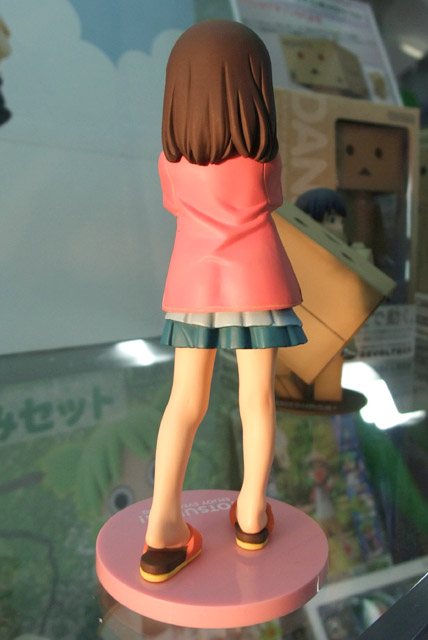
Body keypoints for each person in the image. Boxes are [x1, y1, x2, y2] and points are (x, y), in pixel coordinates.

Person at [140, 20, 306, 583]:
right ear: (254, 88)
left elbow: (175, 207)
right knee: (256, 399)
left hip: (195, 287)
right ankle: (252, 515)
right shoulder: (265, 160)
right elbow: (272, 200)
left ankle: (163, 529)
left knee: (184, 403)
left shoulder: (171, 163)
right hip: (259, 285)